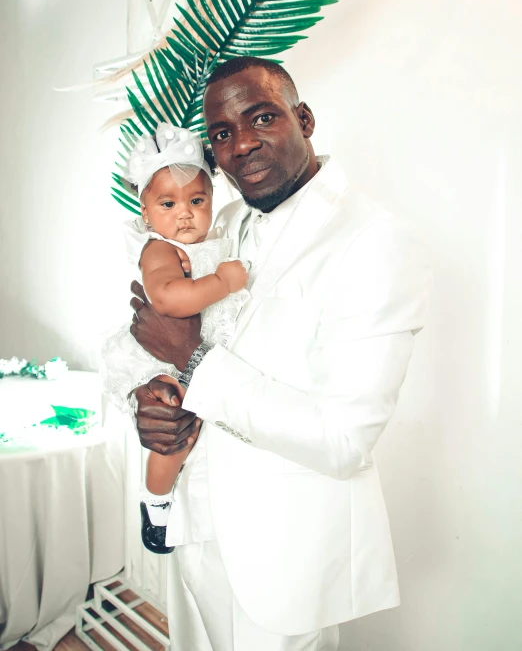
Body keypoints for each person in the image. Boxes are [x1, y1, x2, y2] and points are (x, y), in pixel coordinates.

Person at [109, 56, 432, 651]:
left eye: (261, 117)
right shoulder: (218, 220)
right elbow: (162, 332)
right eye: (223, 134)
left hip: (284, 551)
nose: (243, 144)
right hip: (195, 526)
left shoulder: (375, 239)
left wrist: (194, 363)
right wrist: (151, 395)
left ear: (303, 119)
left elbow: (344, 440)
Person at [101, 122, 248, 555]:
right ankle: (156, 503)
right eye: (168, 203)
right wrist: (223, 281)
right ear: (146, 212)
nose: (184, 213)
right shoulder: (159, 249)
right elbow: (166, 299)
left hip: (200, 354)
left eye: (197, 201)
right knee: (176, 431)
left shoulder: (216, 240)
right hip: (161, 360)